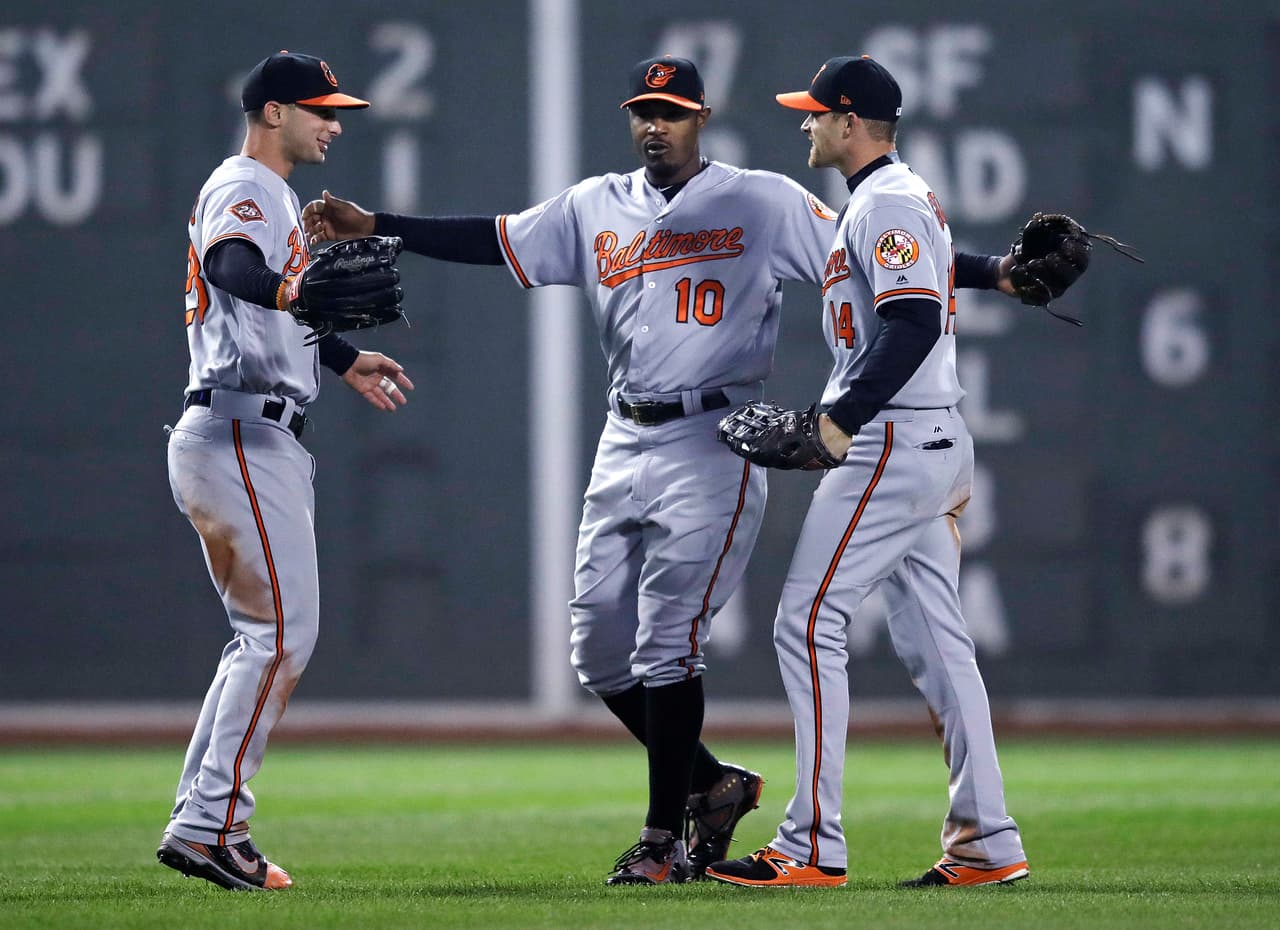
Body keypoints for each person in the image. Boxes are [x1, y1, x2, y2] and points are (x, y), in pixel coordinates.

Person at [304, 55, 1018, 886]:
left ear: (701, 119)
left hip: (723, 434)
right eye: (643, 108)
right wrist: (378, 225)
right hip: (628, 433)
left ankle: (684, 840)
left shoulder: (765, 199)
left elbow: (891, 267)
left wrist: (989, 276)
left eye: (672, 110)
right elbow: (494, 239)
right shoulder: (595, 206)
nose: (655, 123)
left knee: (711, 636)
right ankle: (745, 792)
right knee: (600, 650)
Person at [705, 56, 1029, 889]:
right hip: (928, 442)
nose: (803, 125)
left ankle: (812, 844)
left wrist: (839, 420)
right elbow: (928, 279)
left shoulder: (885, 202)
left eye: (815, 114)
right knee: (938, 642)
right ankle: (987, 841)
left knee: (807, 622)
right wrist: (1001, 273)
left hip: (891, 439)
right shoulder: (896, 197)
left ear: (851, 123)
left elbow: (914, 318)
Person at [156, 50, 414, 892]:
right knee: (279, 638)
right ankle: (210, 827)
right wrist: (299, 299)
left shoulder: (277, 195)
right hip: (239, 434)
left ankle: (203, 820)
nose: (334, 124)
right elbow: (234, 269)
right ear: (274, 113)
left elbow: (257, 304)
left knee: (262, 641)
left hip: (245, 430)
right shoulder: (249, 184)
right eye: (319, 110)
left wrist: (339, 358)